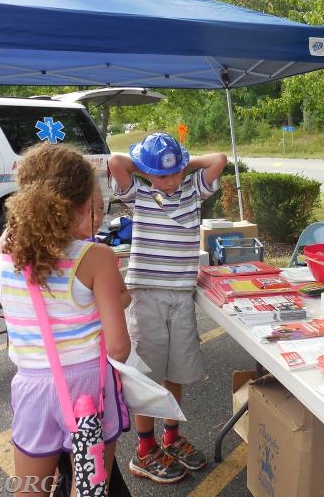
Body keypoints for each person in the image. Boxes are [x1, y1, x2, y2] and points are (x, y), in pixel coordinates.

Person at [0, 142, 131, 496]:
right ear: (85, 203)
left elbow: (10, 237)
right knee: (88, 487)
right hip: (86, 388)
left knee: (30, 488)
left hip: (32, 388)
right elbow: (118, 346)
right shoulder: (96, 257)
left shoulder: (5, 252)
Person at [108, 132, 227, 484]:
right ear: (146, 174)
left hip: (180, 296)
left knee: (176, 371)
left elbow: (218, 157)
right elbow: (117, 163)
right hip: (146, 295)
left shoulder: (193, 190)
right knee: (147, 373)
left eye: (175, 173)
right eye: (162, 175)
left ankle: (170, 437)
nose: (171, 181)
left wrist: (178, 164)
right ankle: (145, 450)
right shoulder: (141, 192)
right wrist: (151, 170)